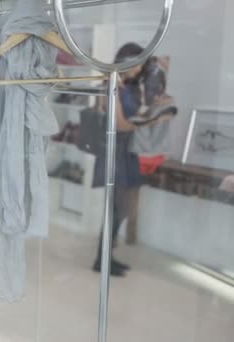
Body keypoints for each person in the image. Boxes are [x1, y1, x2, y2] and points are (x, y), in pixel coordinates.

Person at [91, 43, 173, 277]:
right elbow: (118, 124)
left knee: (121, 207)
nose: (139, 68)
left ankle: (106, 256)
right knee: (117, 208)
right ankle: (102, 258)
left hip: (126, 150)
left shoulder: (125, 86)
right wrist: (152, 122)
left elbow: (129, 119)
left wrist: (154, 111)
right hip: (116, 150)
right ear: (126, 61)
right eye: (137, 63)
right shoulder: (112, 85)